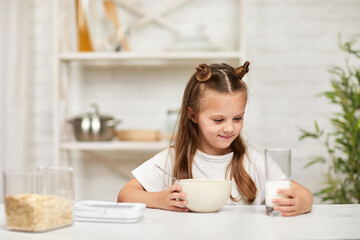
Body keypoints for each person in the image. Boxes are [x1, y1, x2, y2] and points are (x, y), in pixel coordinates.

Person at [117, 61, 313, 216]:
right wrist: (159, 199)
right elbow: (125, 196)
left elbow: (304, 194)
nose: (229, 128)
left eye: (238, 118)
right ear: (192, 115)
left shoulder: (254, 161)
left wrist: (300, 203)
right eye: (218, 120)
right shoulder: (172, 158)